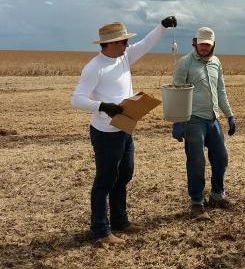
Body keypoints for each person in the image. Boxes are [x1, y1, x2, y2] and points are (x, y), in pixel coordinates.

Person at [71, 16, 177, 245]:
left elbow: (146, 43)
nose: (128, 45)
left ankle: (120, 221)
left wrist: (162, 26)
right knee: (105, 179)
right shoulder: (94, 68)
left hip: (125, 127)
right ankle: (100, 230)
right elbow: (76, 99)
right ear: (111, 43)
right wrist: (102, 106)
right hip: (105, 133)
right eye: (123, 41)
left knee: (125, 173)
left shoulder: (124, 57)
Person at [170, 27, 236, 221]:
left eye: (208, 45)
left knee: (221, 157)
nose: (204, 48)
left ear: (213, 45)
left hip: (212, 119)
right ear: (194, 43)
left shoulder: (216, 62)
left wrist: (230, 115)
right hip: (193, 120)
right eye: (201, 45)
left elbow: (221, 91)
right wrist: (177, 121)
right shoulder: (184, 63)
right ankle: (197, 203)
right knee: (196, 161)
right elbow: (177, 93)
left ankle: (217, 195)